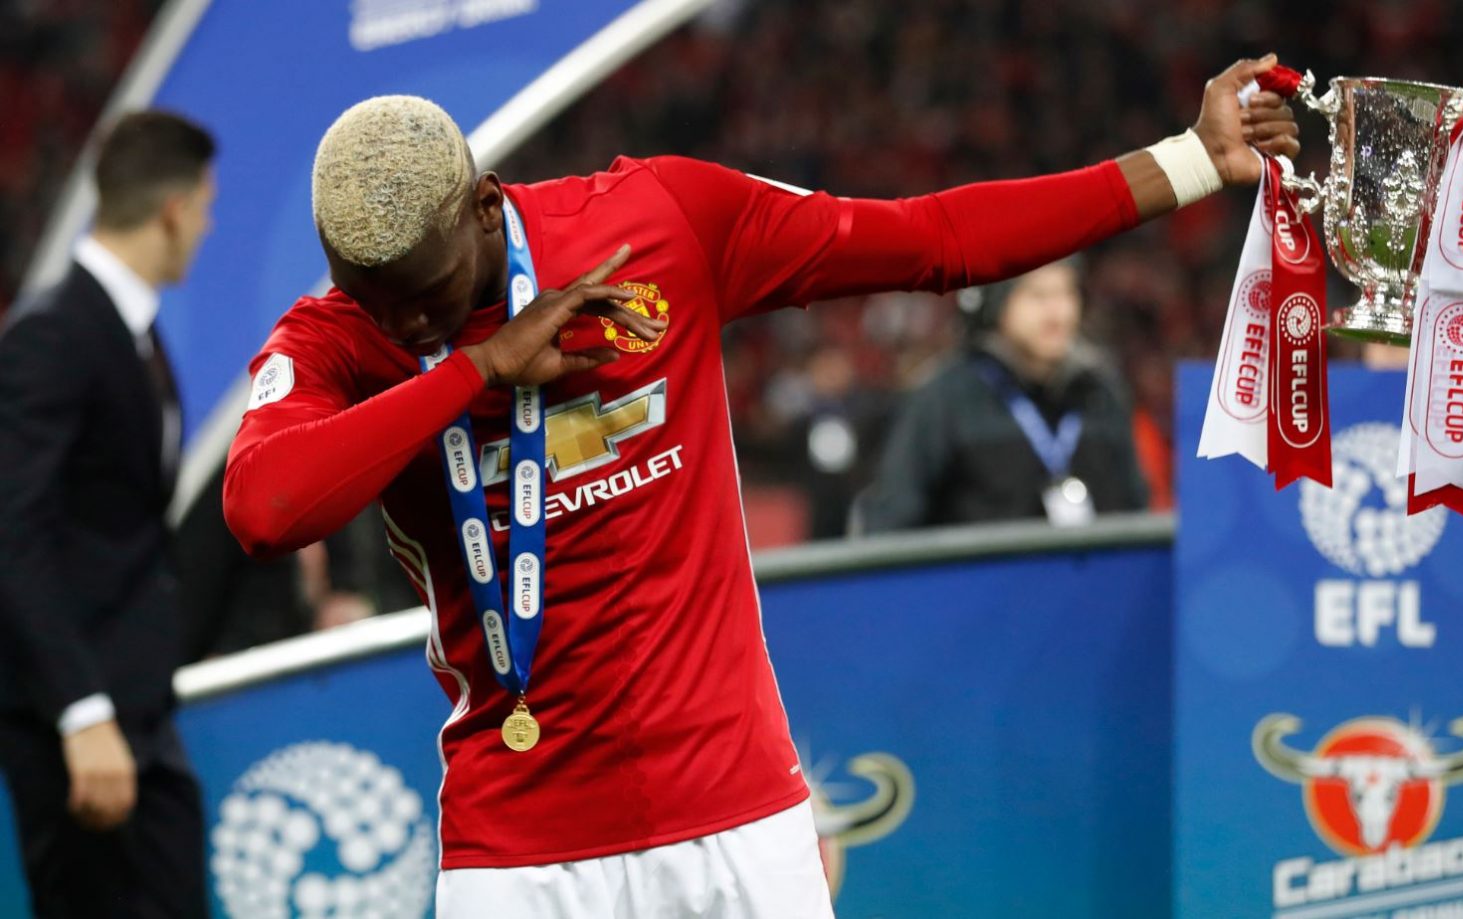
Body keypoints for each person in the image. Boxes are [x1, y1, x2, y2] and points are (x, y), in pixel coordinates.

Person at [222, 56, 1299, 916]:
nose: (405, 322)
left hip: (732, 815)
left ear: (485, 205)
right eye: (374, 299)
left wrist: (1192, 160)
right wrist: (477, 369)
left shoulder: (654, 220)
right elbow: (264, 509)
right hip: (516, 849)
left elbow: (934, 239)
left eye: (428, 293)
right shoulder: (336, 338)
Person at [0, 110, 215, 917]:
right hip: (78, 730)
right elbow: (12, 532)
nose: (207, 226)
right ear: (173, 211)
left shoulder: (130, 333)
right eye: (205, 207)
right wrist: (82, 711)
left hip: (138, 716)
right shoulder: (53, 335)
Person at [856, 257, 1148, 532]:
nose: (1057, 313)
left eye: (1066, 293)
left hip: (1092, 570)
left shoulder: (1100, 393)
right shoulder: (946, 399)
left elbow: (1135, 511)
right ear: (997, 303)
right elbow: (891, 519)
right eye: (1037, 295)